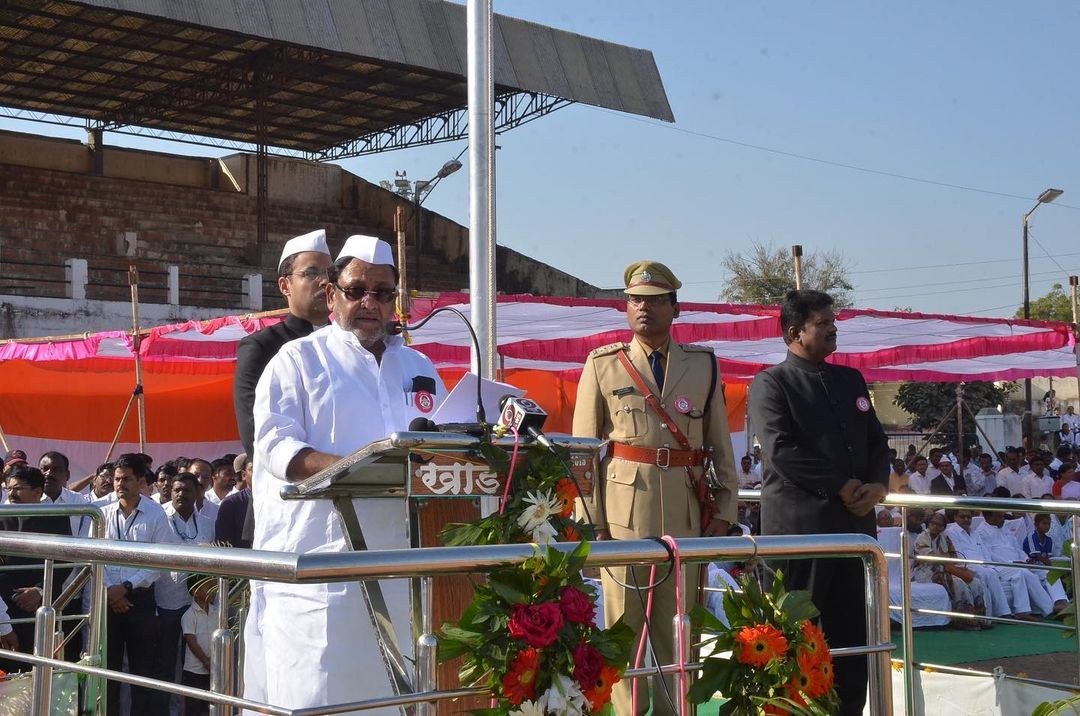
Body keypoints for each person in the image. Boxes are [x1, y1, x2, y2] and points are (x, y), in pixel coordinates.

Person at [245, 235, 446, 714]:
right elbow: (275, 446)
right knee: (319, 698)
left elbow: (444, 444)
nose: (369, 303)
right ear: (332, 294)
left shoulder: (418, 365)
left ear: (395, 300)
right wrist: (356, 468)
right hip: (323, 576)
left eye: (382, 292)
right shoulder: (297, 360)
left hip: (406, 575)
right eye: (356, 291)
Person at [573, 260, 736, 716]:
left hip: (685, 512)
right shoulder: (603, 365)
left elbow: (720, 443)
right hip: (621, 516)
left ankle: (674, 710)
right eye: (635, 300)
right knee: (622, 630)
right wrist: (592, 522)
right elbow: (583, 453)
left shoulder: (703, 365)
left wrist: (725, 511)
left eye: (655, 300)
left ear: (675, 308)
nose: (643, 308)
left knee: (679, 628)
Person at [748, 289, 889, 716]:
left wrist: (877, 486)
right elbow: (781, 450)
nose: (833, 329)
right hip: (800, 535)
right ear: (795, 332)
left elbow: (876, 441)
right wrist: (841, 485)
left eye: (833, 322)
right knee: (794, 642)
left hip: (853, 533)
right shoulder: (772, 383)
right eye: (823, 323)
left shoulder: (850, 380)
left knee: (853, 643)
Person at [102, 453, 178, 715]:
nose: (119, 484)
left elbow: (160, 560)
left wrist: (126, 587)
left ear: (141, 481)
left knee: (141, 672)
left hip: (140, 600)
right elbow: (92, 557)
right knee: (107, 670)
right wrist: (111, 591)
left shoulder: (156, 514)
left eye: (126, 479)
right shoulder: (102, 513)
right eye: (117, 479)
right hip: (108, 598)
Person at [0, 465, 75, 672]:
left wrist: (38, 590)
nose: (12, 494)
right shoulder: (2, 516)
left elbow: (65, 561)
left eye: (18, 488)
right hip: (6, 606)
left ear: (38, 492)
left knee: (39, 667)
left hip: (43, 605)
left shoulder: (56, 517)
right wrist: (13, 596)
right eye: (9, 488)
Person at [154, 473, 217, 712]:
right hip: (166, 603)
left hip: (197, 605)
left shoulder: (208, 524)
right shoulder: (159, 517)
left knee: (195, 665)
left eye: (187, 490)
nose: (181, 494)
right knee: (166, 663)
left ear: (198, 493)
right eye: (177, 490)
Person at [913, 513, 987, 630]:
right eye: (933, 524)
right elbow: (930, 558)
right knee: (958, 583)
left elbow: (954, 556)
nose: (936, 527)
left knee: (975, 582)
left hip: (946, 568)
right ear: (928, 524)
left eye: (939, 525)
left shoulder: (945, 538)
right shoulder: (922, 537)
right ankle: (962, 620)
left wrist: (951, 565)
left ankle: (979, 618)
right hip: (926, 572)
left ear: (943, 527)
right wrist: (947, 562)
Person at [181, 576, 219, 716]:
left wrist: (213, 662)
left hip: (212, 670)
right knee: (193, 708)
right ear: (195, 591)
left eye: (214, 586)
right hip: (194, 671)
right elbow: (191, 641)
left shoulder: (216, 612)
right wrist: (205, 661)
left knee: (208, 708)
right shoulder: (189, 615)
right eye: (209, 587)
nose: (213, 591)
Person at [216, 454, 253, 548]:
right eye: (253, 469)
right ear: (244, 475)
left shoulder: (279, 501)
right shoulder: (231, 504)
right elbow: (224, 545)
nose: (259, 473)